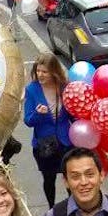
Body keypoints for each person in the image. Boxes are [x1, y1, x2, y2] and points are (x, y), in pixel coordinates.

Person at [23, 53, 73, 206]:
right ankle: (52, 209)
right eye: (38, 71)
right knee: (49, 179)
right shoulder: (32, 90)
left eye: (44, 72)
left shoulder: (65, 87)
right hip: (45, 144)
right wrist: (38, 113)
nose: (40, 75)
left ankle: (75, 205)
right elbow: (28, 121)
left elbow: (73, 113)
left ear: (54, 71)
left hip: (67, 141)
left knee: (71, 176)